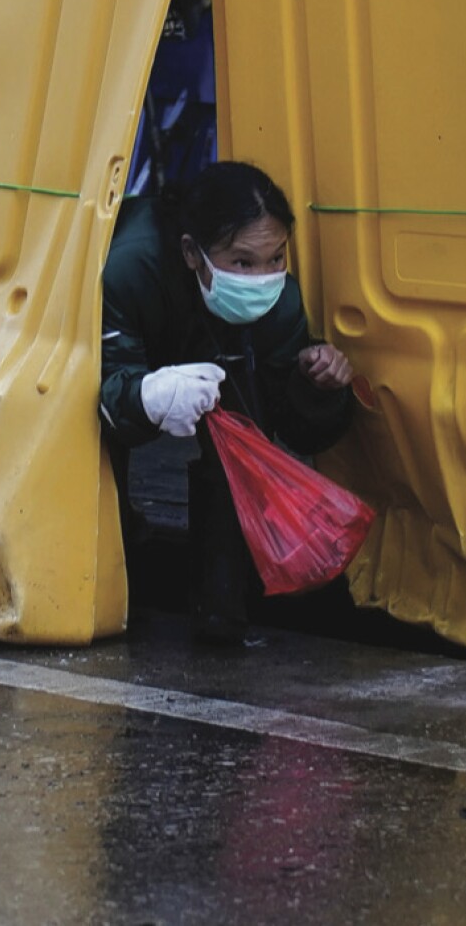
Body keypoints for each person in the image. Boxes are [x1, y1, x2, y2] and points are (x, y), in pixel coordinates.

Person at [99, 161, 355, 644]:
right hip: (134, 352)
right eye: (243, 262)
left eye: (277, 257)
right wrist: (147, 397)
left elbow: (293, 429)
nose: (263, 277)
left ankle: (222, 613)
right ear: (193, 253)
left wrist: (318, 385)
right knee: (97, 454)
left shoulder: (277, 300)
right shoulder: (129, 269)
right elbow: (102, 392)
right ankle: (116, 577)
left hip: (201, 353)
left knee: (242, 437)